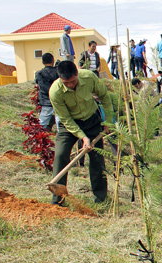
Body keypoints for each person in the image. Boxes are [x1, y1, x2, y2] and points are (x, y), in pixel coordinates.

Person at [49, 61, 112, 205]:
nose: (70, 85)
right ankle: (58, 199)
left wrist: (108, 120)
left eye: (72, 81)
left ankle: (100, 198)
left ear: (77, 73)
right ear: (60, 79)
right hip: (69, 126)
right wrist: (83, 137)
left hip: (91, 121)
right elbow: (65, 118)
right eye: (66, 83)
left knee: (97, 159)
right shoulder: (55, 92)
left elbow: (105, 97)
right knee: (60, 155)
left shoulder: (89, 77)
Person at [35, 53, 59, 131]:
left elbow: (37, 83)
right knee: (61, 123)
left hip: (45, 100)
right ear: (53, 60)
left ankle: (38, 137)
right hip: (58, 100)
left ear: (42, 62)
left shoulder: (39, 73)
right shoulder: (58, 72)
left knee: (41, 123)